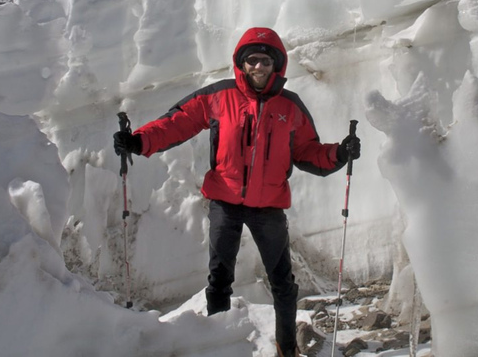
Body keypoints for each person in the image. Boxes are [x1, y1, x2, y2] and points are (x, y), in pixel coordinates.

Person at [114, 27, 360, 357]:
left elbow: (308, 151)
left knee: (283, 284)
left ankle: (287, 349)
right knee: (219, 280)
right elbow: (178, 122)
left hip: (269, 206)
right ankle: (218, 348)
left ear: (278, 65)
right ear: (242, 64)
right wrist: (139, 141)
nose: (259, 67)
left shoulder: (291, 107)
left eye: (266, 60)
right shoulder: (219, 96)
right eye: (252, 60)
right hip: (225, 203)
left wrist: (339, 154)